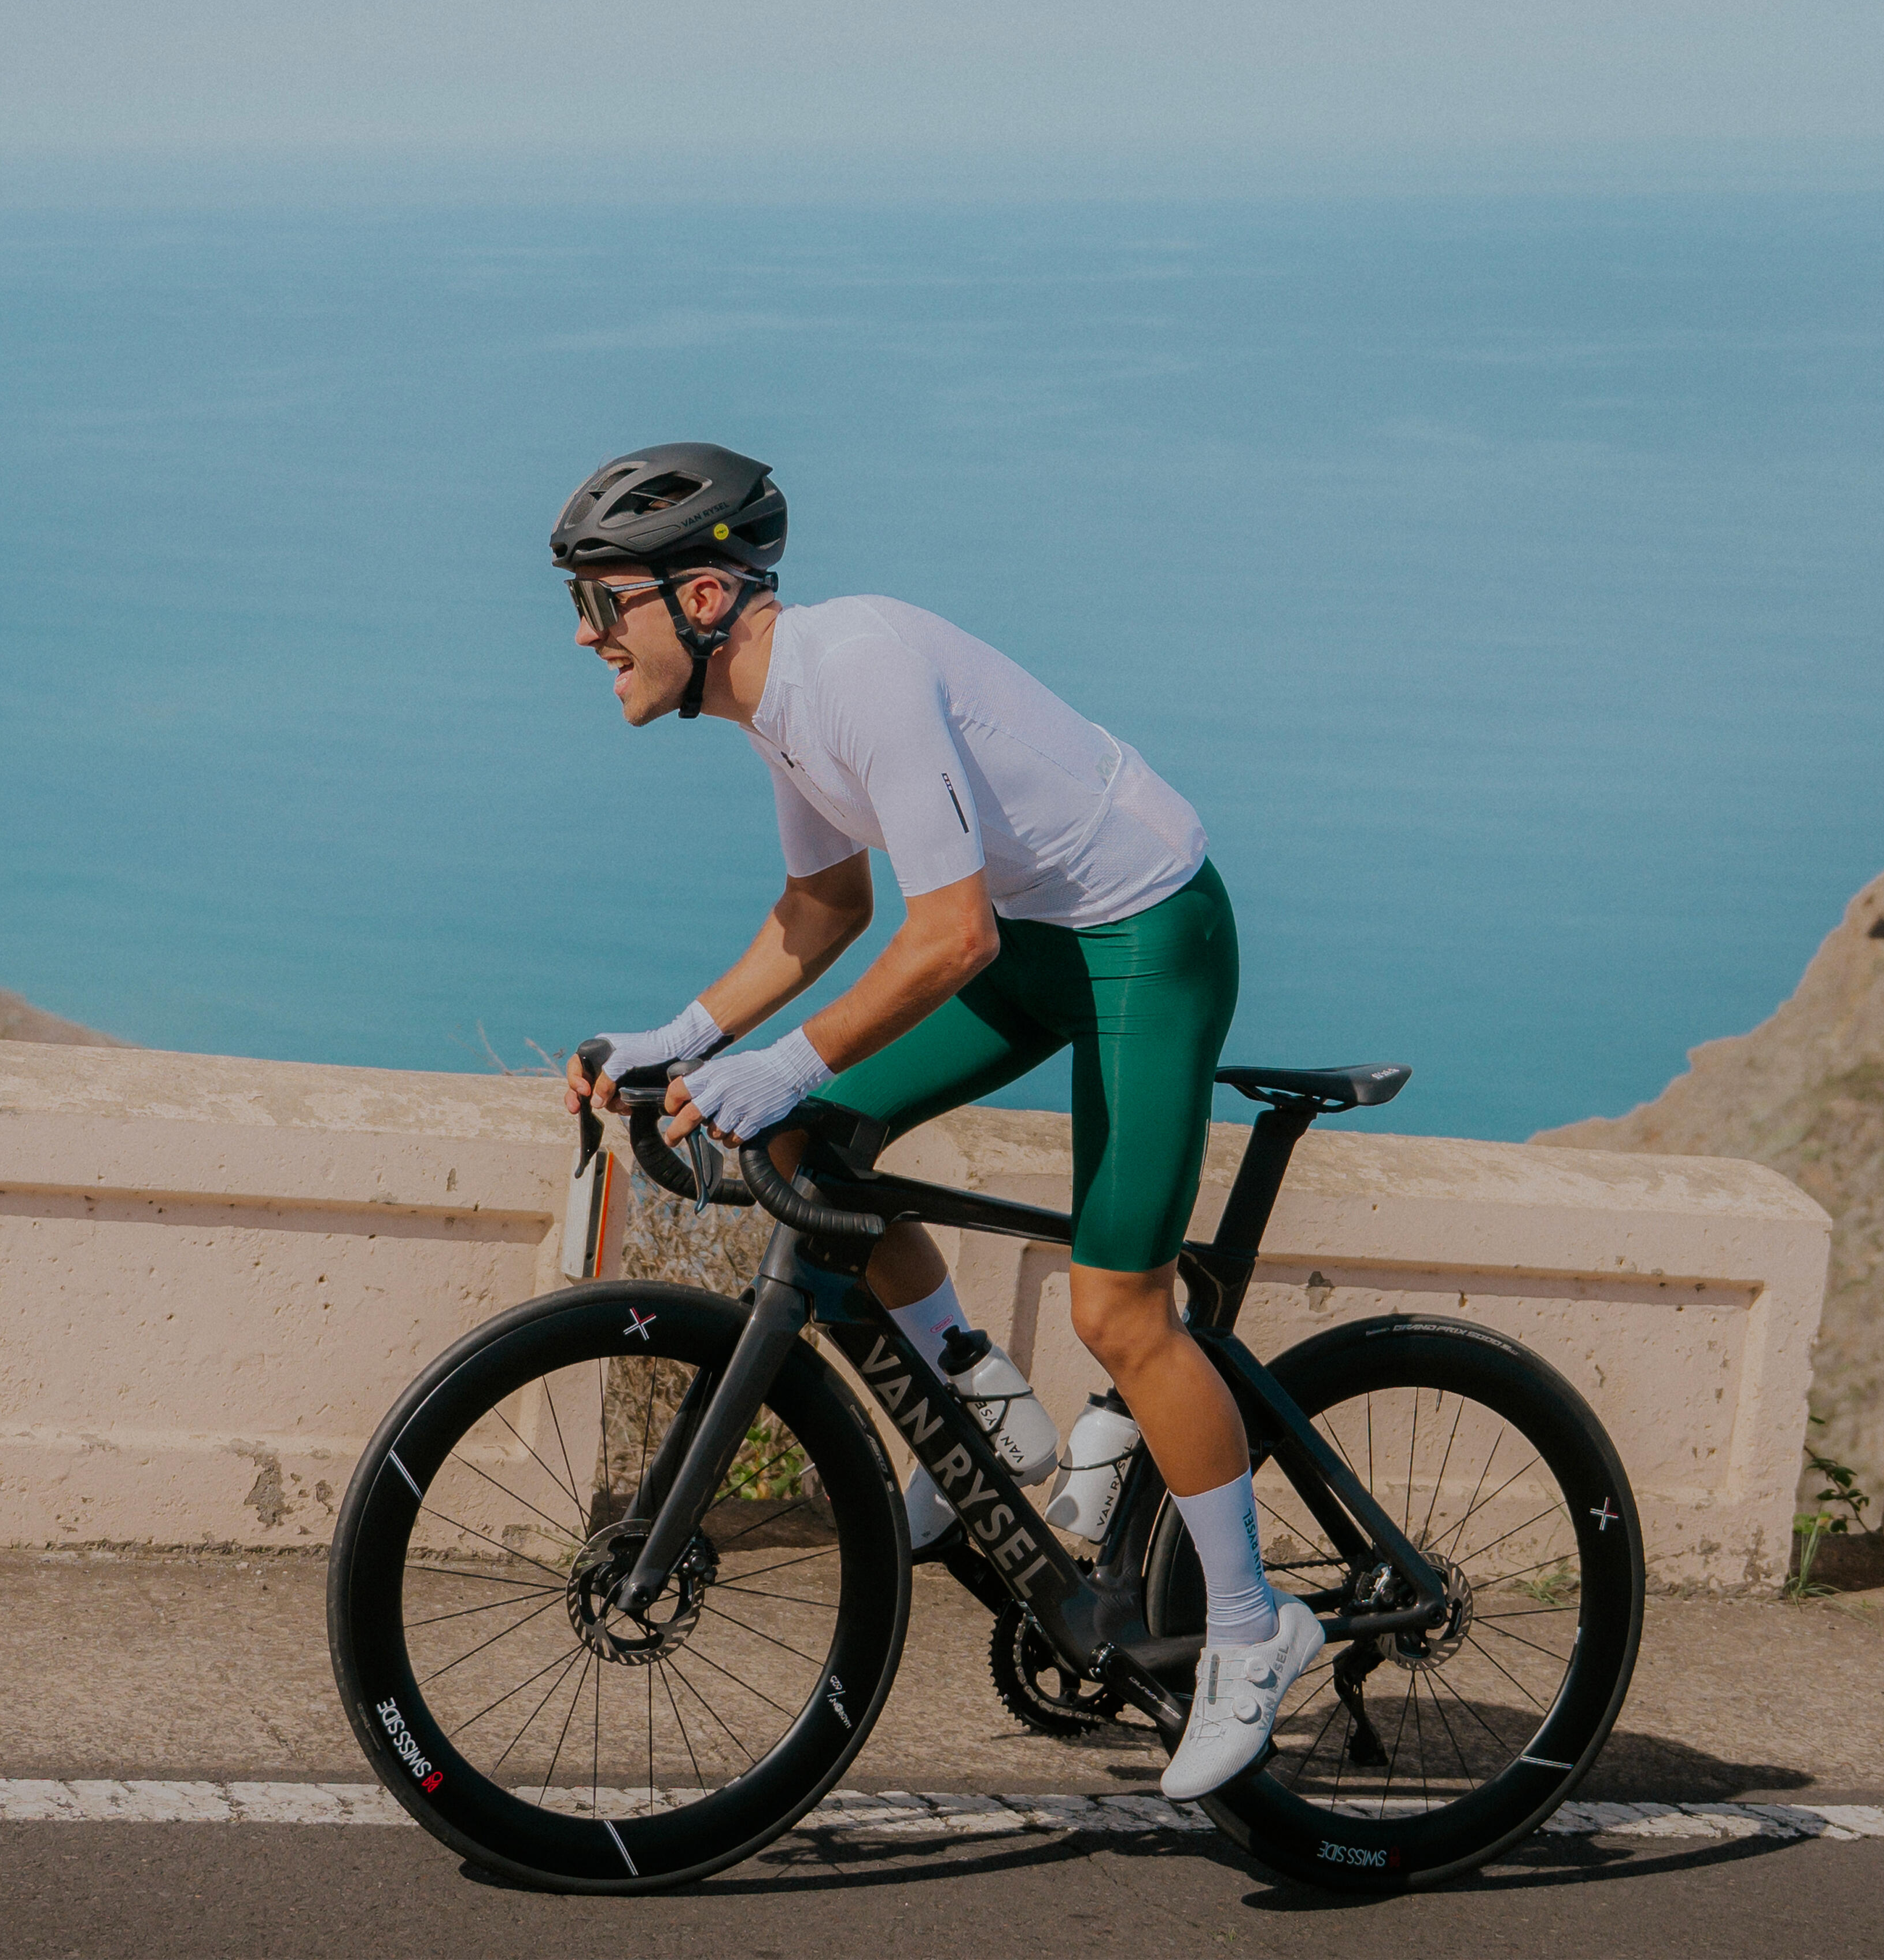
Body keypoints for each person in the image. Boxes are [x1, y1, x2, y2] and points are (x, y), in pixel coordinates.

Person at [554, 441, 1318, 1799]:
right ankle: (977, 1396)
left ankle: (1254, 1629)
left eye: (604, 602)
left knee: (1120, 1310)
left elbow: (948, 934)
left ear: (706, 596)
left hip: (1145, 936)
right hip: (1037, 936)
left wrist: (785, 1059)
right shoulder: (776, 705)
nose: (585, 633)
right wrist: (678, 1038)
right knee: (808, 1148)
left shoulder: (852, 672)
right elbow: (824, 909)